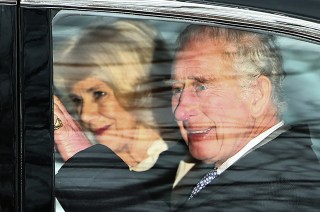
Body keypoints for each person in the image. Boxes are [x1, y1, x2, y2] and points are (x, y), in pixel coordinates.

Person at [170, 25, 320, 211]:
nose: (180, 111)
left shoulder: (275, 196)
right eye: (177, 89)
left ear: (257, 94)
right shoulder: (266, 175)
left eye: (201, 86)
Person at [53, 20, 185, 211]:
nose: (85, 116)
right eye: (77, 100)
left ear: (140, 90)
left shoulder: (188, 173)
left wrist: (83, 161)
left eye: (99, 94)